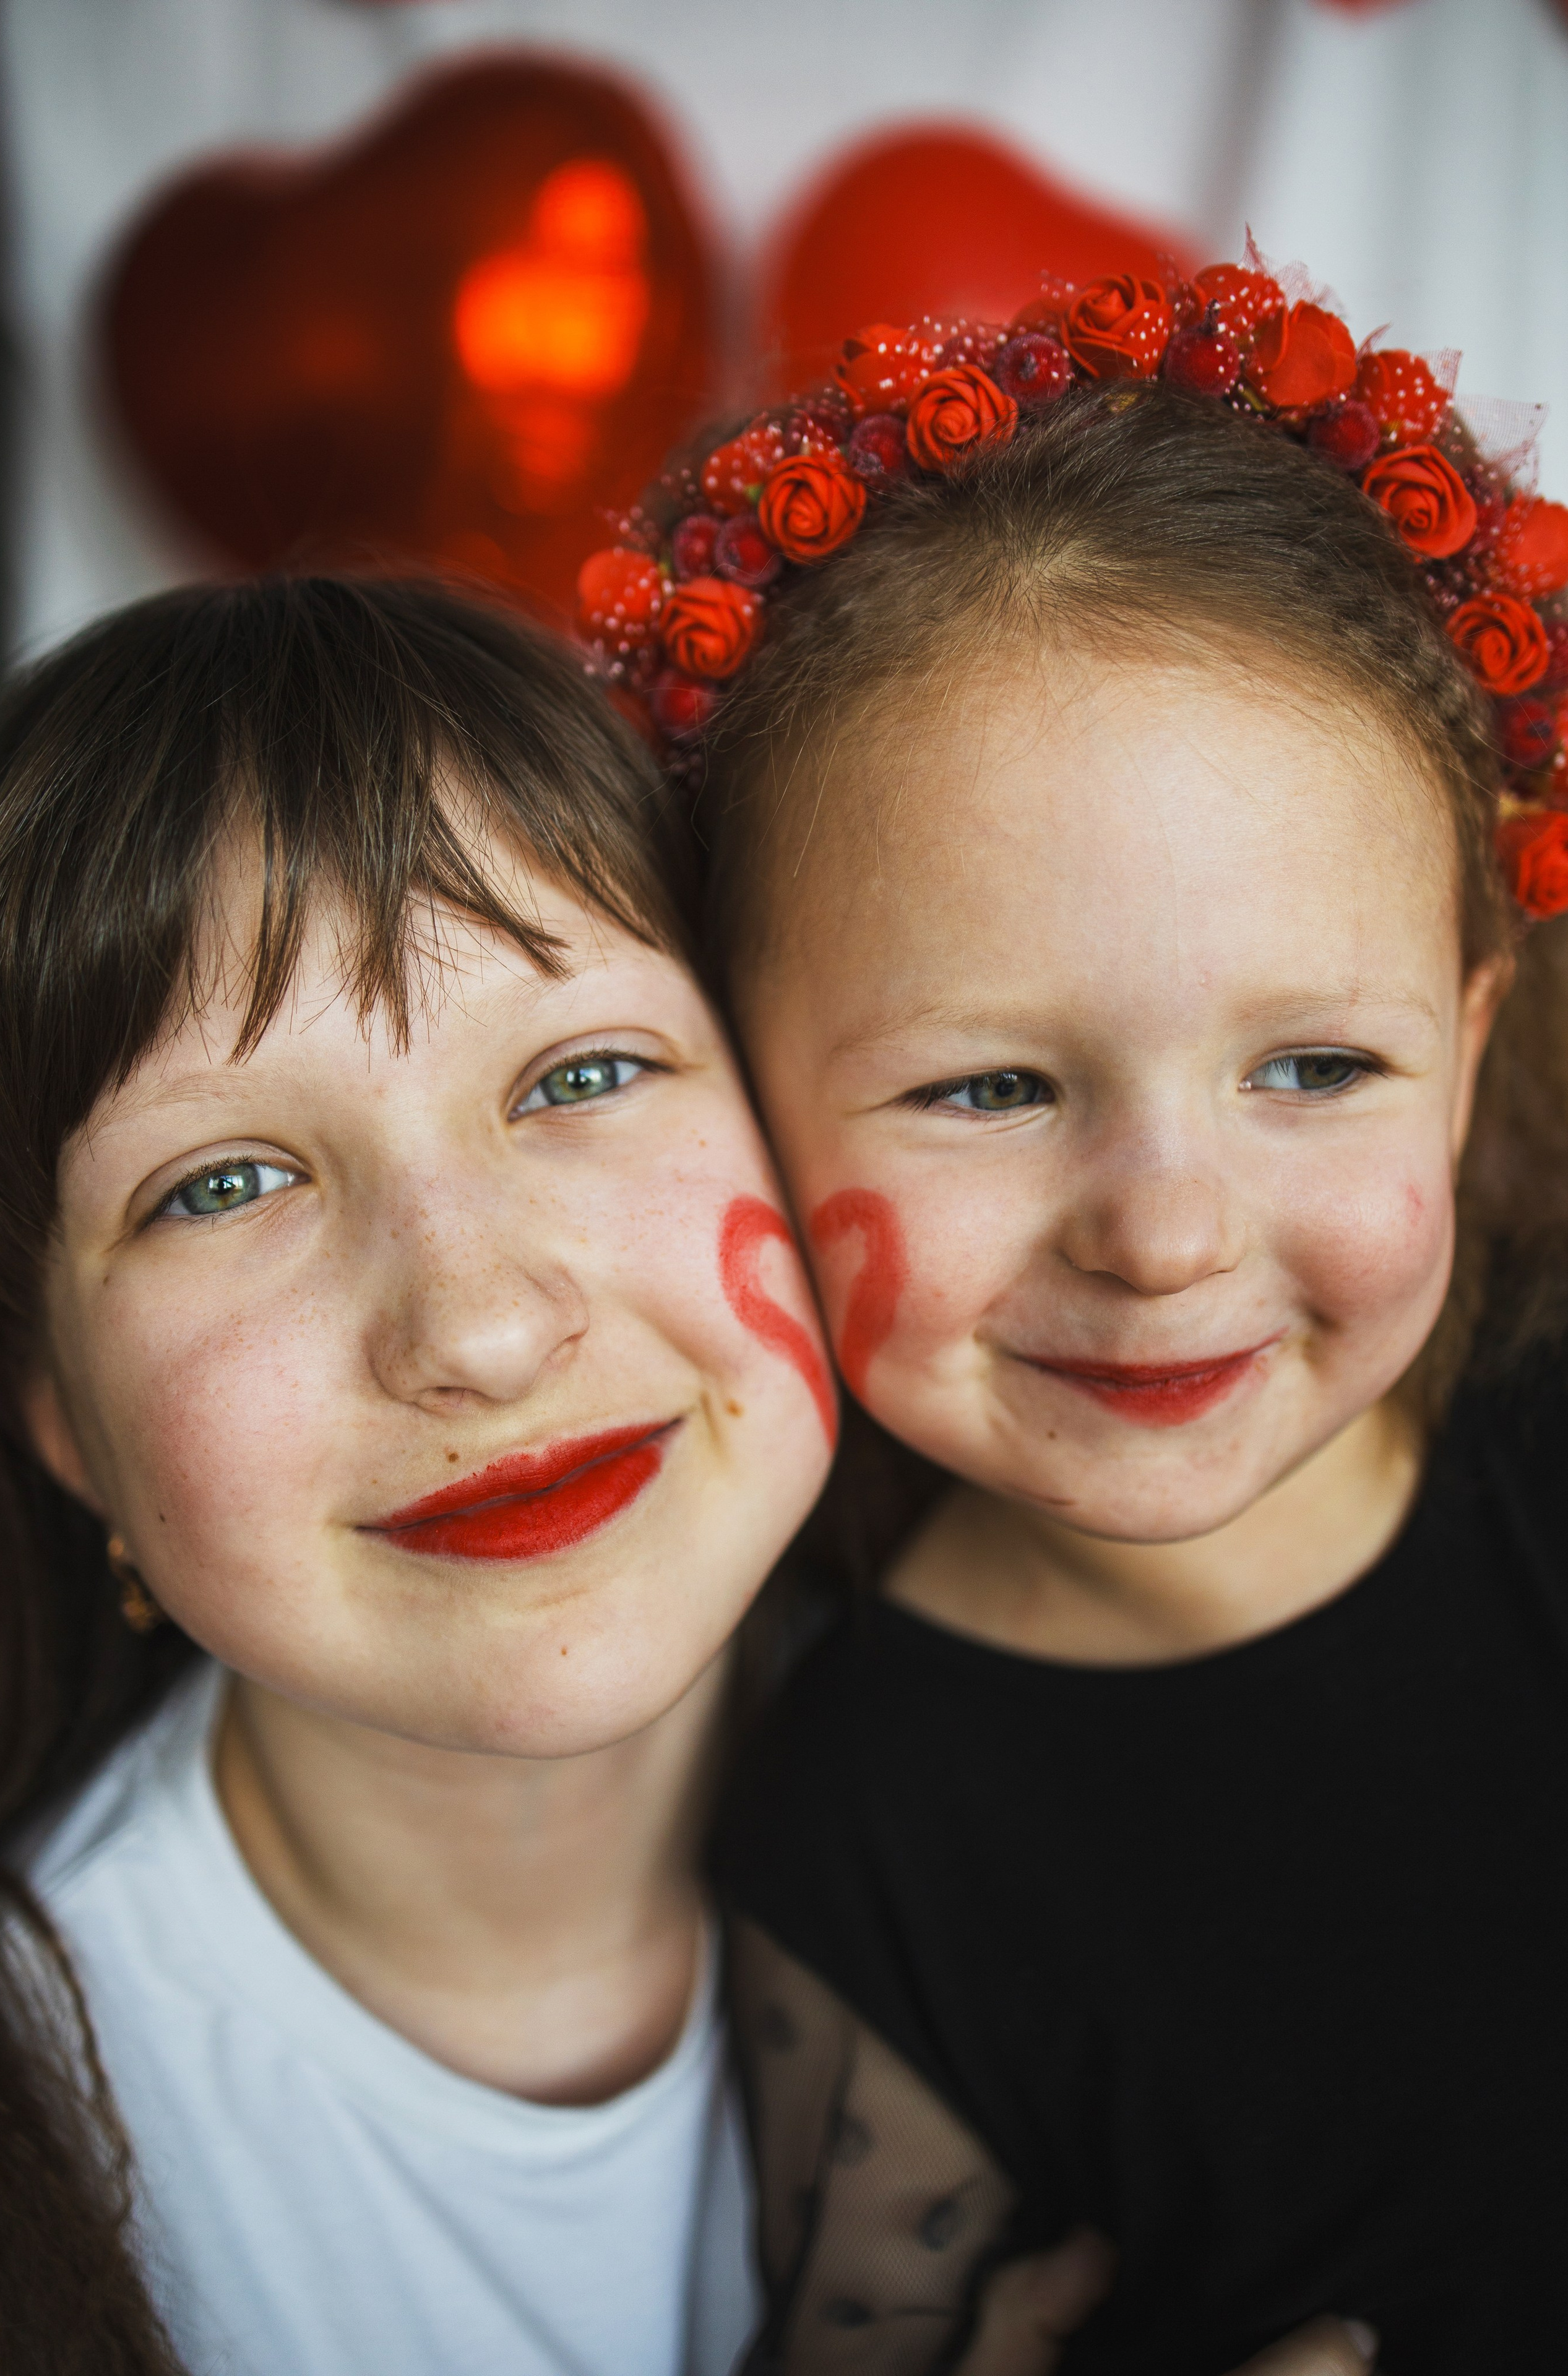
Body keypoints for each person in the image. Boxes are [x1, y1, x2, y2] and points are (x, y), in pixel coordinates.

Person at [575, 261, 1568, 2370]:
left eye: (1316, 1066)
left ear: (1472, 1050)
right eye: (991, 1088)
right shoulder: (856, 1845)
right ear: (741, 1097)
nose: (1165, 1233)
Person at [0, 575, 840, 2376]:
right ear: (56, 1412)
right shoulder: (36, 2139)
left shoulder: (1138, 1821)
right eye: (223, 1183)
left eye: (584, 1073)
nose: (479, 1328)